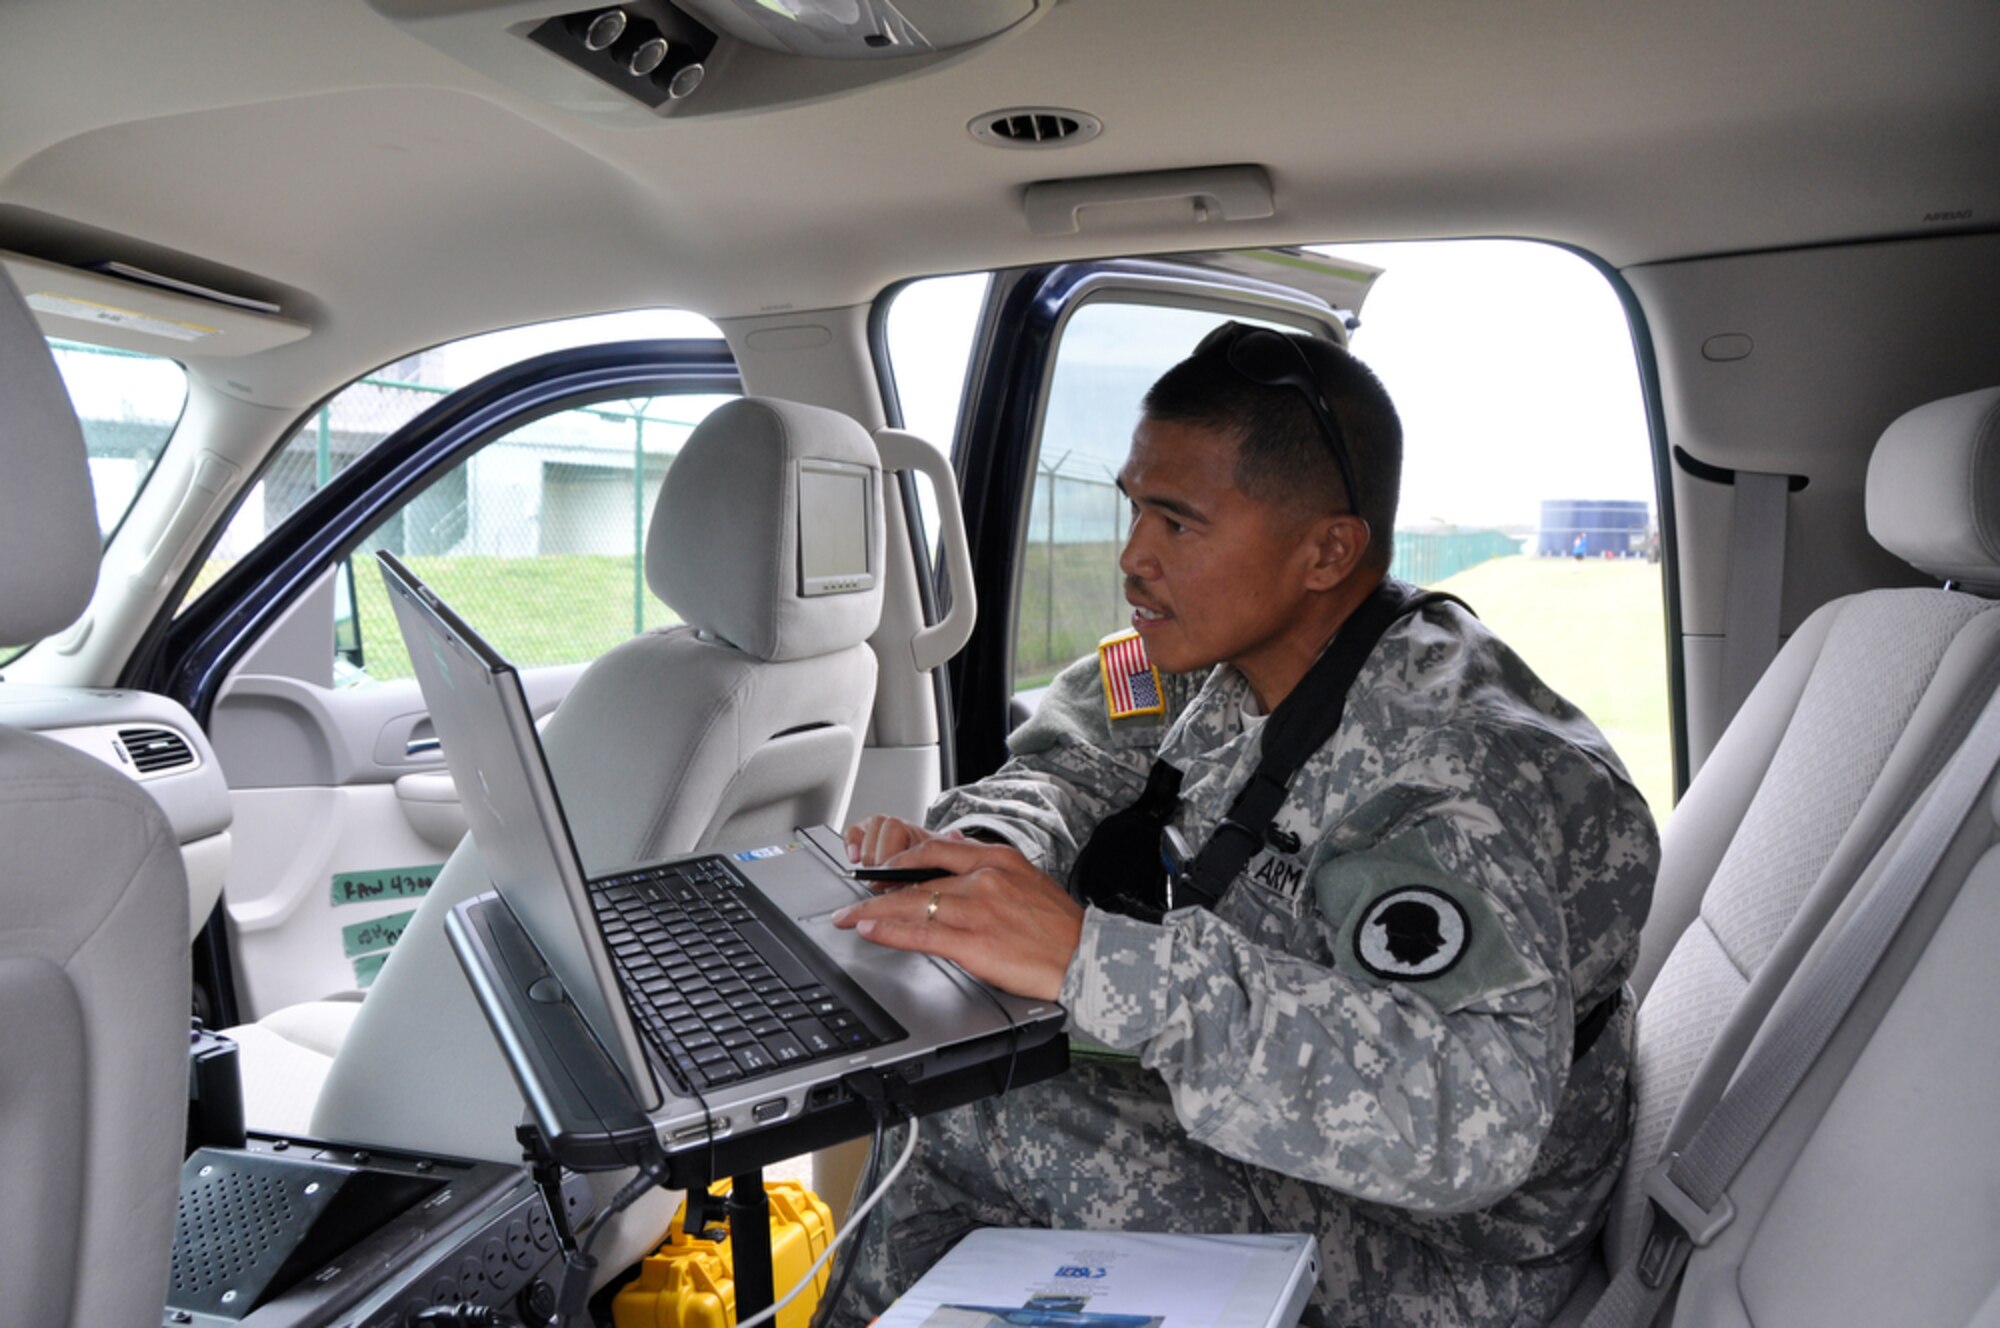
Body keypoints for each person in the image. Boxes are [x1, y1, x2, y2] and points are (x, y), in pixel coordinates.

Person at [823, 324, 1658, 1328]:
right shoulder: (1188, 652)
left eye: (1177, 523)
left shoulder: (1448, 776)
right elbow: (1069, 760)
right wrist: (991, 856)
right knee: (952, 1082)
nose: (1132, 559)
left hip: (1438, 1244)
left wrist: (1096, 960)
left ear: (1326, 550)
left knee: (974, 1111)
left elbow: (1465, 1117)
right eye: (1133, 508)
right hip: (1291, 1118)